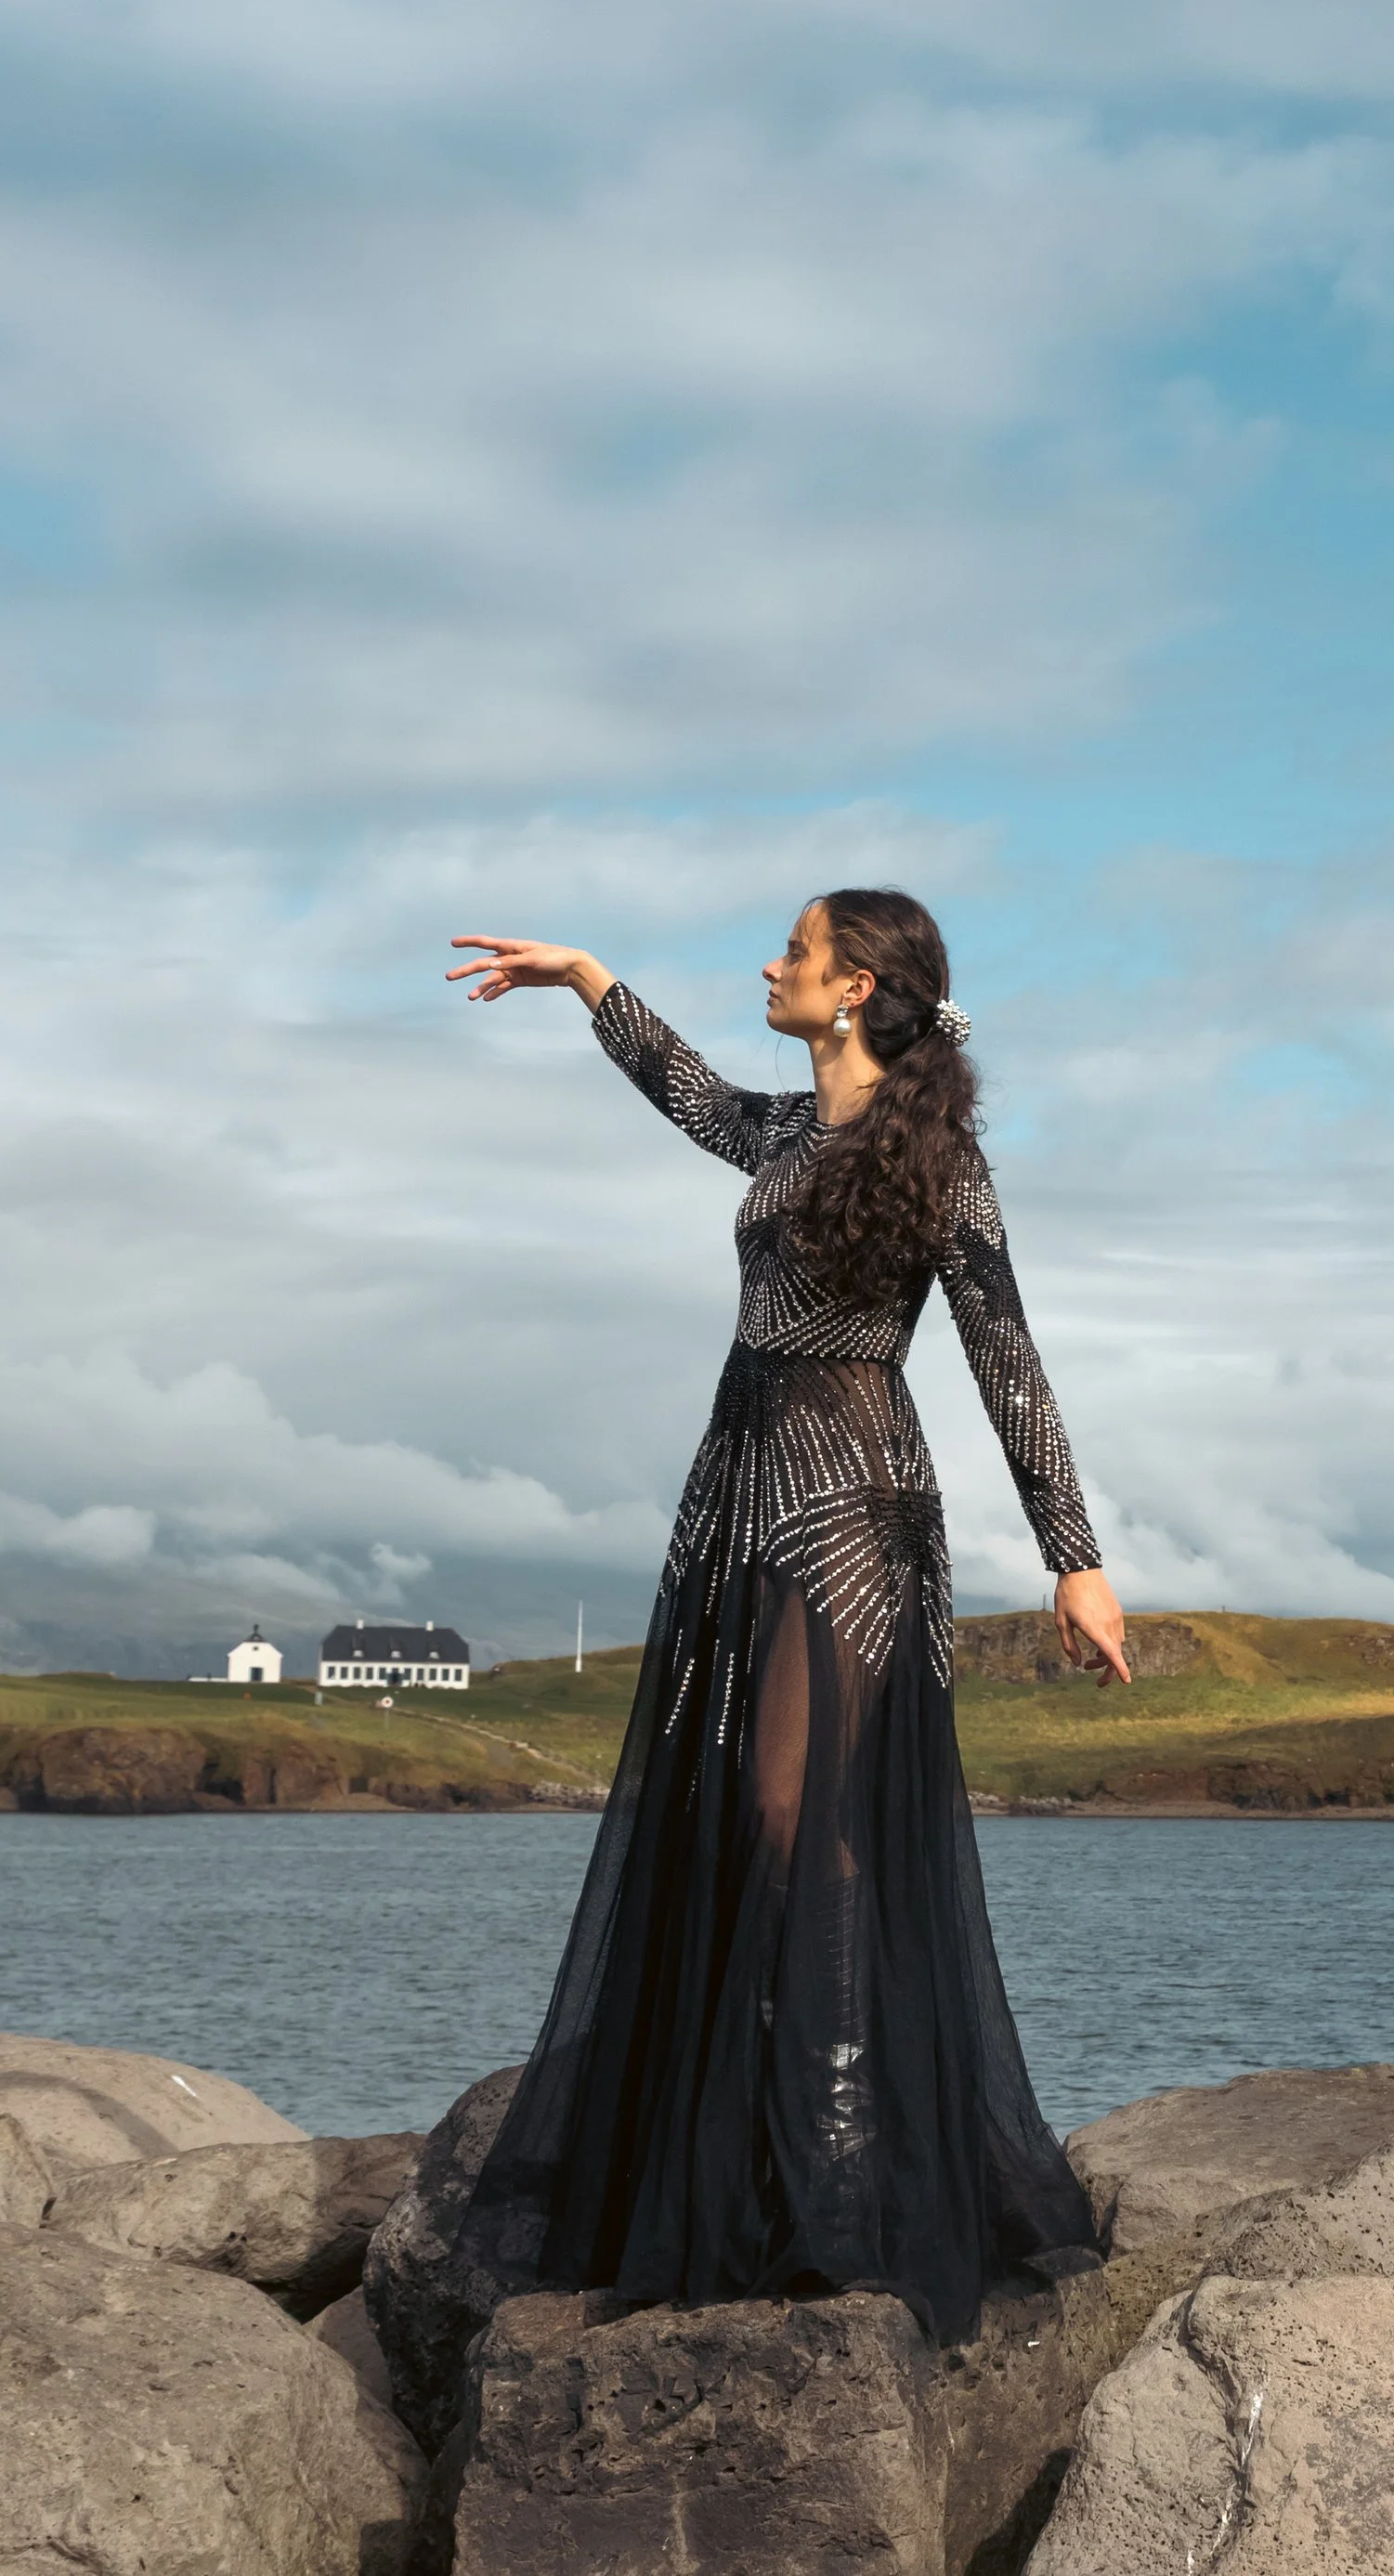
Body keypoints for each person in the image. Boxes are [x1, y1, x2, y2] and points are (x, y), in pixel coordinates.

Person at [442, 889, 1130, 2343]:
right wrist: (584, 980)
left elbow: (1010, 1361)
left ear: (852, 984)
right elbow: (687, 1092)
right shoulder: (782, 1129)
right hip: (742, 1488)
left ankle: (833, 2179)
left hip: (848, 1498)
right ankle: (775, 2141)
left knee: (796, 1812)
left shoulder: (940, 1159)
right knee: (754, 1815)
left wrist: (1073, 1557)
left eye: (795, 950)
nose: (773, 962)